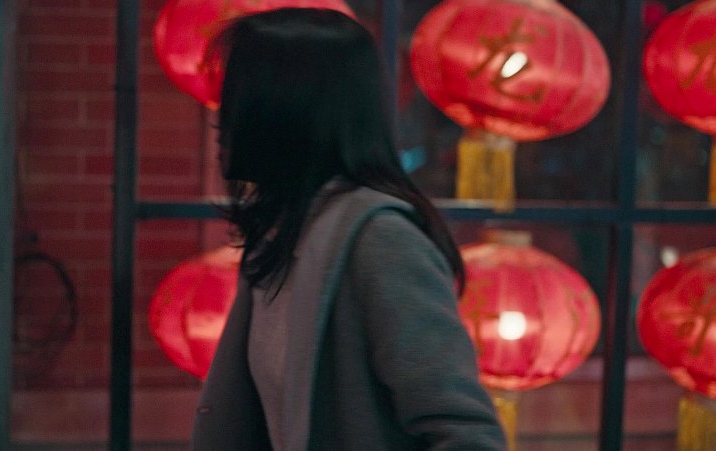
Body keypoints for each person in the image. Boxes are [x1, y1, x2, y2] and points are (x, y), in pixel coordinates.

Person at [192, 8, 506, 450]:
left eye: (239, 95)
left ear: (289, 106)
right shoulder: (282, 231)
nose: (221, 117)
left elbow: (465, 433)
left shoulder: (380, 241)